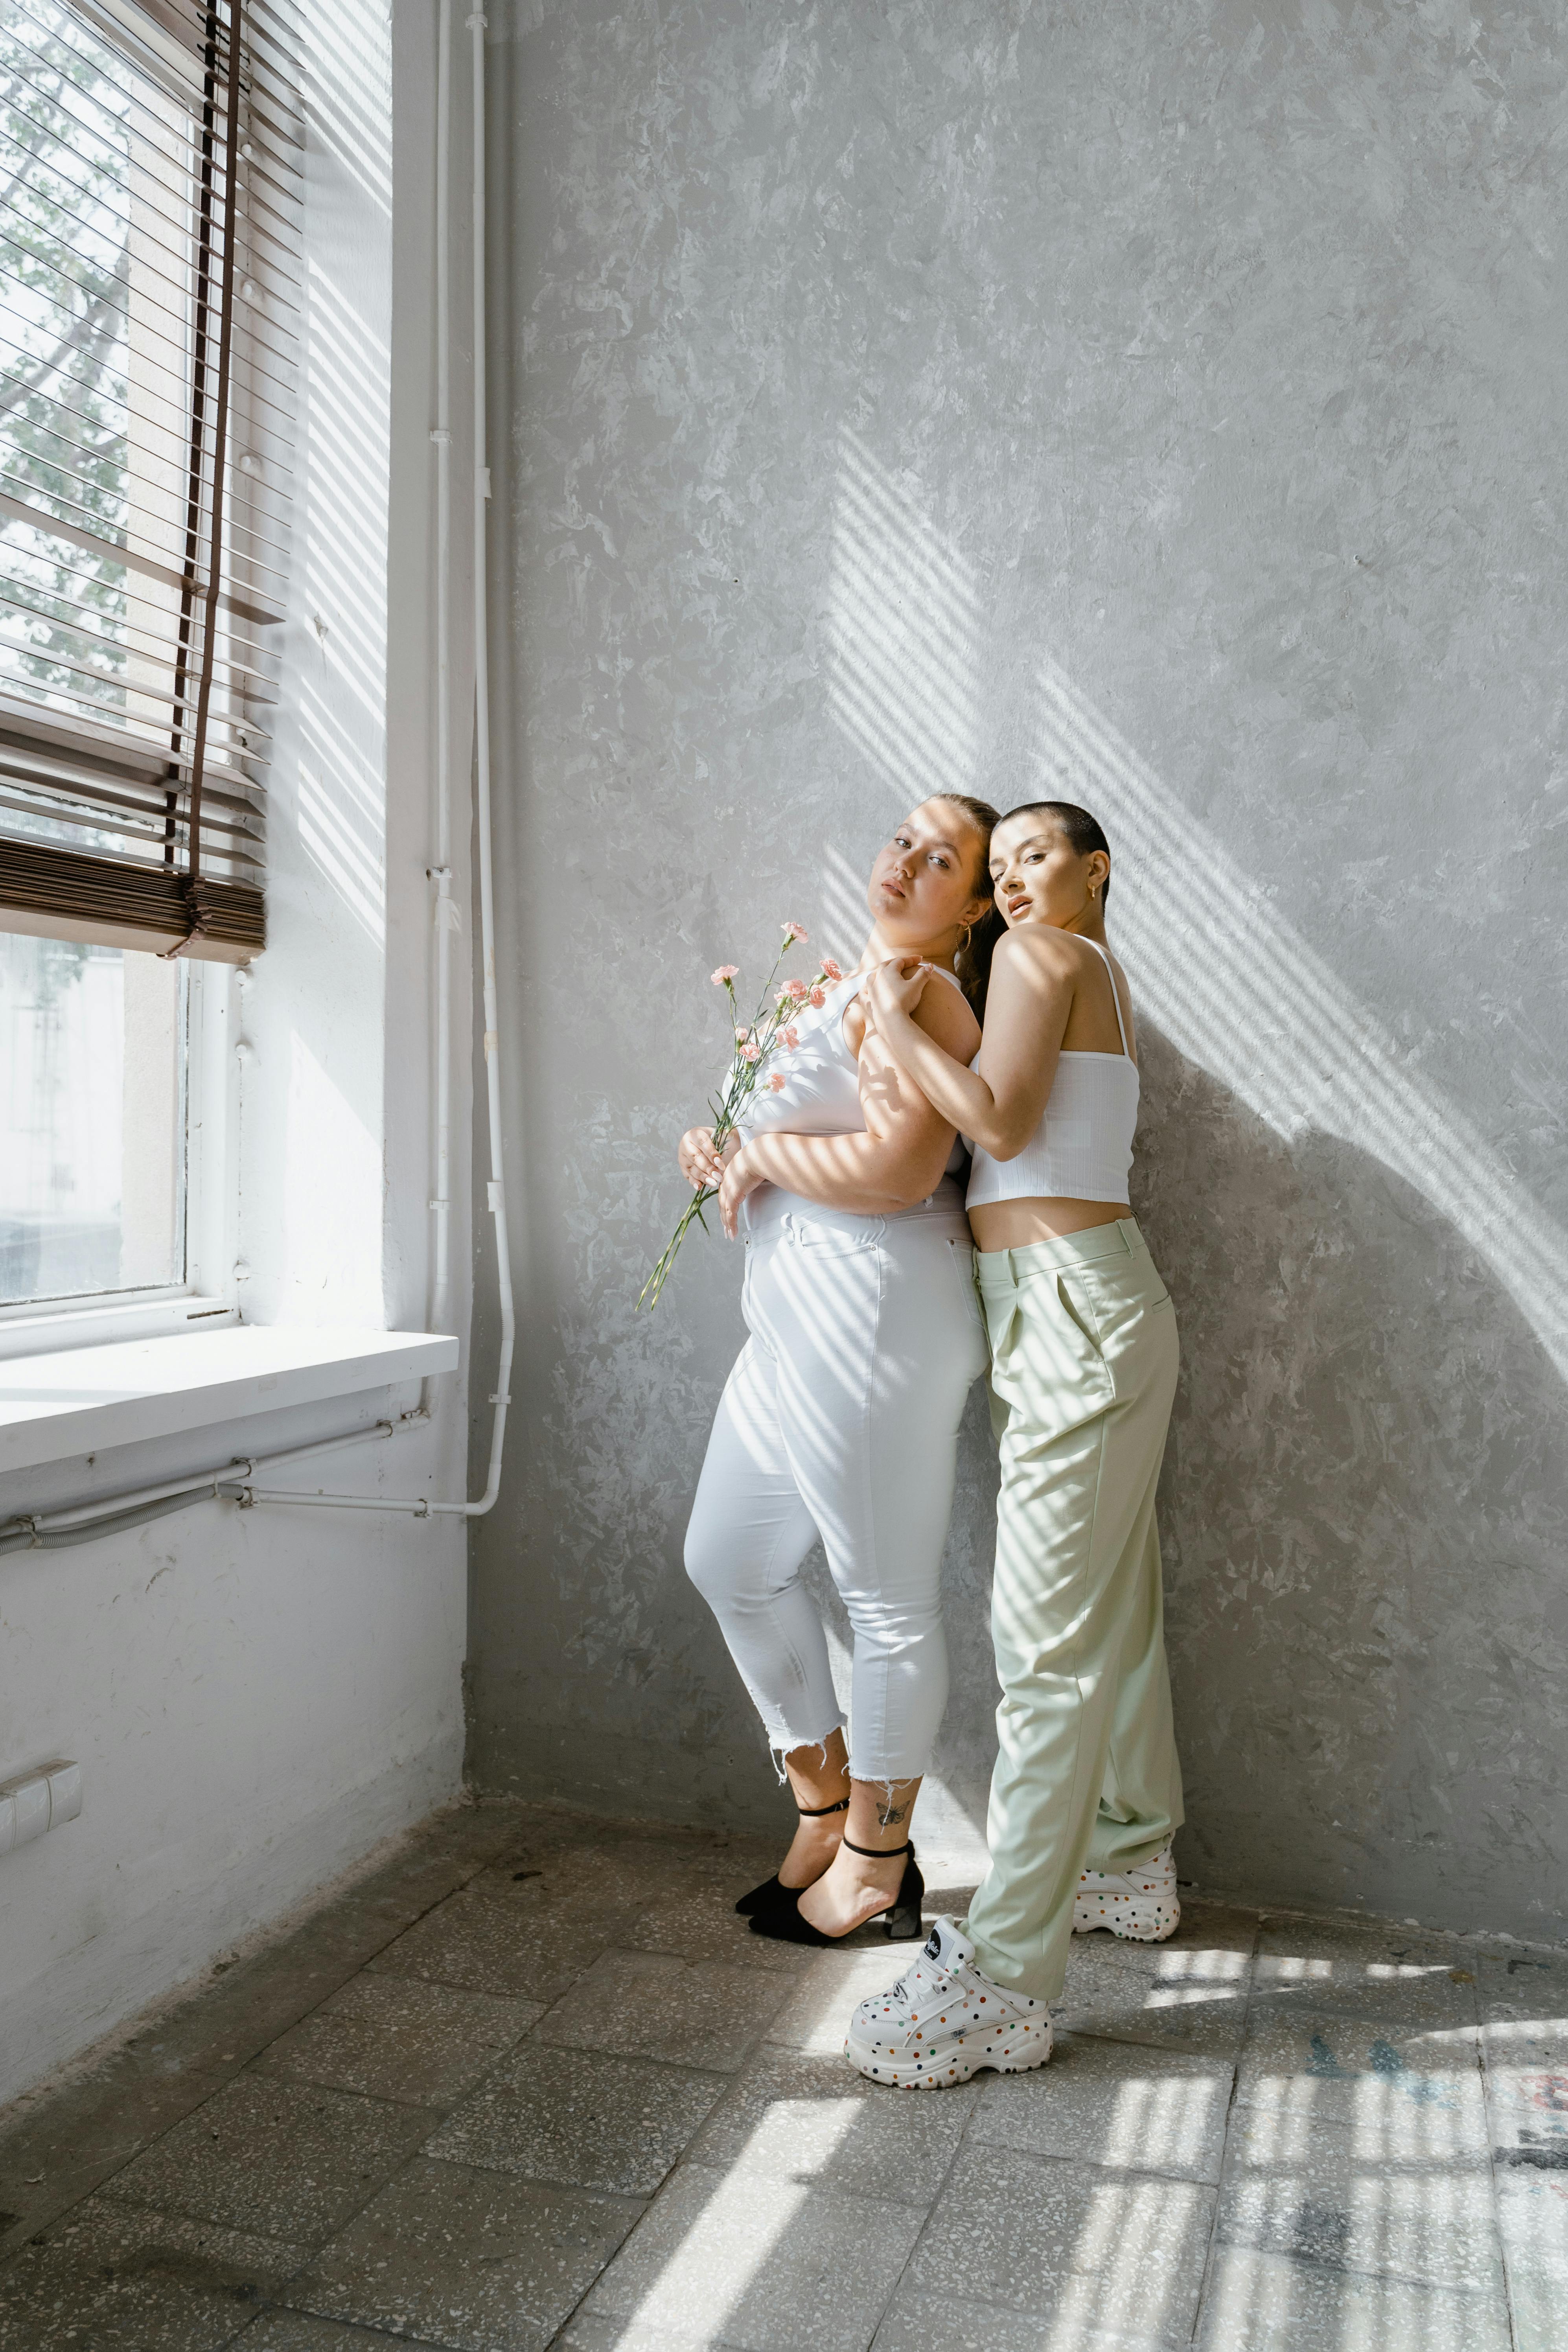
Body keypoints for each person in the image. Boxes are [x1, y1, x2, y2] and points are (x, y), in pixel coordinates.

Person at [845, 798, 1183, 2083]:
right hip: (1081, 1299)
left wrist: (888, 1018)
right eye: (997, 869)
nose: (1013, 882)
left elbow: (993, 1120)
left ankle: (1000, 1979)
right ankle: (1127, 1854)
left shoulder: (1049, 957)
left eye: (1034, 855)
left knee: (1043, 1652)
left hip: (1069, 1305)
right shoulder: (1084, 974)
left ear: (1096, 867)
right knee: (1115, 1606)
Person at [680, 796, 999, 1947]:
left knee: (885, 1599)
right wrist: (721, 1145)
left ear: (971, 905)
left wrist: (761, 1151)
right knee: (728, 1558)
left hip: (874, 1306)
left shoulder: (923, 994)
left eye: (943, 858)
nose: (908, 862)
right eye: (901, 839)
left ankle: (876, 1860)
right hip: (795, 1313)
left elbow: (900, 1168)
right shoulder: (831, 985)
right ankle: (822, 1805)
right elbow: (805, 1134)